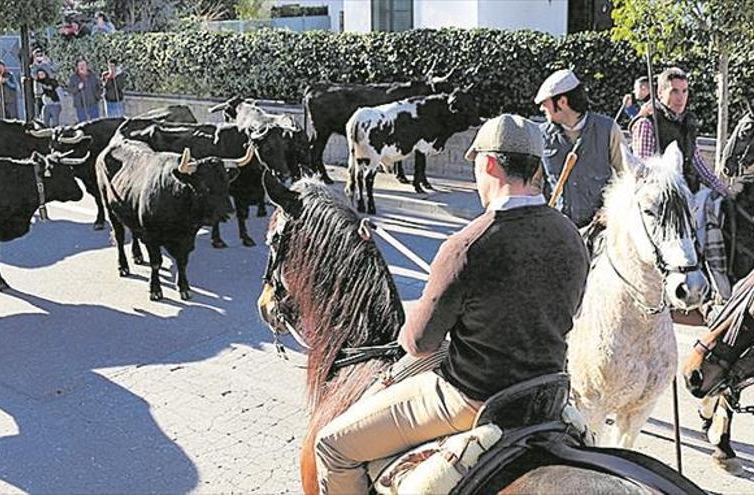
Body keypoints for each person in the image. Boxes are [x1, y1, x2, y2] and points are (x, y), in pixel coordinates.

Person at [313, 114, 590, 494]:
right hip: (546, 392)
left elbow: (419, 344)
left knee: (331, 445)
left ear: (490, 163)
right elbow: (566, 310)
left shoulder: (465, 247)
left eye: (475, 164)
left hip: (473, 398)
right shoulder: (571, 235)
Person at [631, 67, 734, 302]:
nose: (681, 97)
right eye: (674, 91)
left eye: (685, 91)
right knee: (707, 216)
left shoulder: (687, 121)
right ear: (660, 92)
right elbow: (645, 169)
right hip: (663, 200)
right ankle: (717, 290)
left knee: (723, 207)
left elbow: (696, 160)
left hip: (688, 191)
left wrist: (723, 189)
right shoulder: (647, 123)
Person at [534, 69, 628, 228]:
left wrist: (609, 210)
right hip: (558, 229)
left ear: (562, 102)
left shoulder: (608, 129)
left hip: (601, 231)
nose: (542, 108)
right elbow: (533, 184)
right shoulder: (540, 136)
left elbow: (626, 177)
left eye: (545, 103)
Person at [68, 59, 102, 123]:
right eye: (80, 65)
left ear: (87, 66)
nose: (82, 67)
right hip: (80, 106)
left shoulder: (93, 76)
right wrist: (77, 88)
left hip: (93, 104)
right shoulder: (73, 77)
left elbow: (99, 87)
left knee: (95, 123)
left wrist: (97, 96)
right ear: (77, 67)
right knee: (83, 124)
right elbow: (70, 90)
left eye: (83, 65)